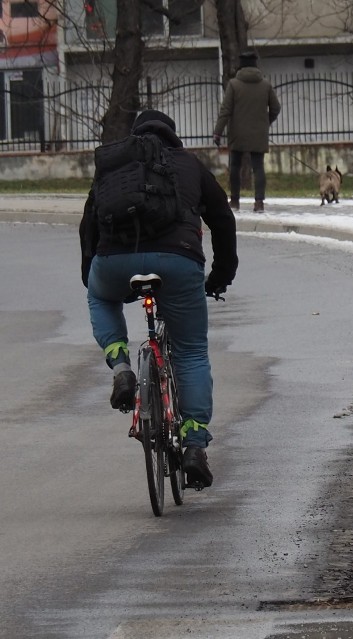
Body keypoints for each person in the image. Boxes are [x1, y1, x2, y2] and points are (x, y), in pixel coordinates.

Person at [80, 109, 239, 488]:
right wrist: (219, 276)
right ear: (173, 136)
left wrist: (93, 276)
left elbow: (89, 224)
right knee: (190, 351)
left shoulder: (114, 165)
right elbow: (222, 219)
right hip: (179, 262)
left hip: (114, 261)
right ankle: (195, 444)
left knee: (100, 299)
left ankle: (121, 369)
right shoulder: (188, 165)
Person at [213, 50, 281, 212]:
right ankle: (259, 203)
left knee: (235, 166)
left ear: (241, 66)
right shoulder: (265, 84)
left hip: (237, 132)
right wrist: (266, 122)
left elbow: (226, 110)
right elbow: (276, 108)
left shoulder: (234, 85)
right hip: (259, 132)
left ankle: (235, 201)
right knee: (258, 168)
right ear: (255, 65)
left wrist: (218, 132)